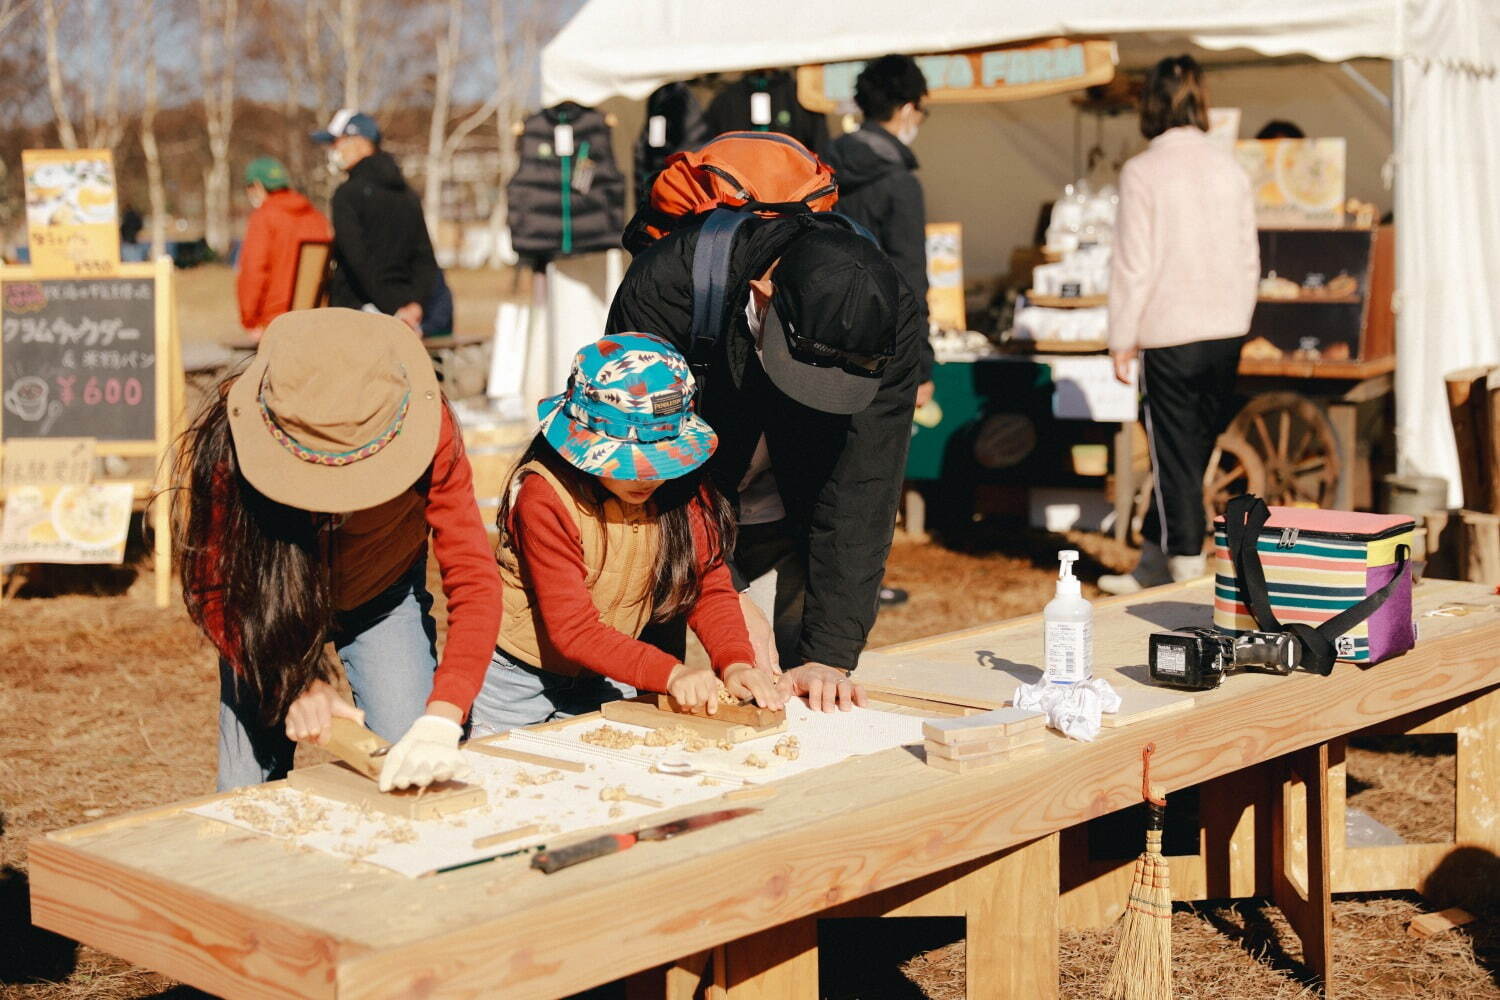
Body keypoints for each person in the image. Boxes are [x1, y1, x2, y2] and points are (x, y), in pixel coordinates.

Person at [173, 309, 502, 792]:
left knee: (410, 756)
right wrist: (296, 685)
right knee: (243, 791)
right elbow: (214, 586)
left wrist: (444, 715)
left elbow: (474, 578)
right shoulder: (230, 442)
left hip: (380, 596)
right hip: (261, 607)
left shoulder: (433, 426)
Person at [608, 219, 924, 711]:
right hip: (665, 502)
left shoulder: (891, 314)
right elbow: (646, 461)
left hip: (788, 504)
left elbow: (865, 483)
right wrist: (726, 589)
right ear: (763, 293)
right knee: (646, 686)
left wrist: (831, 655)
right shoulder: (669, 286)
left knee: (790, 688)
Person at [468, 333, 783, 734]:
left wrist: (734, 659)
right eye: (627, 461)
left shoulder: (683, 485)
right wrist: (670, 674)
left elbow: (706, 585)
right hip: (516, 675)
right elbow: (573, 629)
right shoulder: (544, 496)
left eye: (658, 460)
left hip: (611, 663)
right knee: (504, 771)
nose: (646, 476)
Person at [1099, 55, 1259, 595]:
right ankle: (1150, 562)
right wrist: (1240, 316)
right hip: (1226, 329)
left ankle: (1188, 577)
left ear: (1150, 104)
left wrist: (1120, 337)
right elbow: (1249, 256)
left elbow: (1132, 264)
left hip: (1169, 332)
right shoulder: (1229, 168)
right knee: (1188, 455)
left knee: (1175, 460)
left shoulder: (1144, 171)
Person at [831, 53, 936, 605]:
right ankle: (860, 591)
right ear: (906, 107)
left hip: (813, 337)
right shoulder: (899, 183)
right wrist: (923, 362)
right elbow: (910, 280)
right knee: (871, 477)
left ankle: (821, 589)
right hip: (880, 344)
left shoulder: (823, 166)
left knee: (821, 469)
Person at [311, 110, 439, 333]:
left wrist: (391, 308)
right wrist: (413, 306)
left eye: (336, 142)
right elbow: (425, 259)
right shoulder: (407, 194)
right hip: (408, 318)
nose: (333, 150)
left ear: (359, 142)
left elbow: (357, 260)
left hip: (356, 315)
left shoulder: (346, 195)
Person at [236, 156, 333, 338]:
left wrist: (250, 320)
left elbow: (253, 271)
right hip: (315, 319)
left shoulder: (264, 218)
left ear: (257, 186)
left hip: (275, 321)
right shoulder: (317, 217)